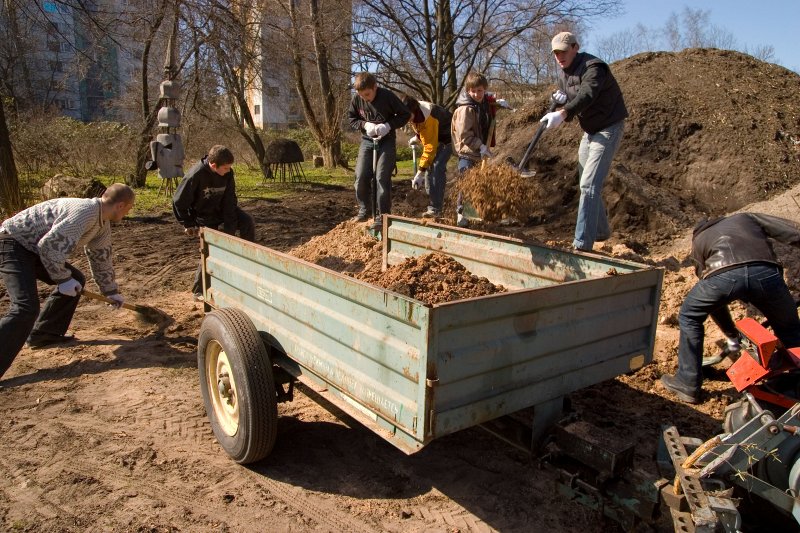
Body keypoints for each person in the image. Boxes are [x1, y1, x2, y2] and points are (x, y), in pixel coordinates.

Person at [660, 213, 800, 404]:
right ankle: (796, 382)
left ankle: (687, 383)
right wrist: (732, 334)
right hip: (766, 274)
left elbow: (713, 301)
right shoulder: (746, 218)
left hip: (723, 277)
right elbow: (794, 233)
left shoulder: (698, 241)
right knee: (790, 328)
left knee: (690, 315)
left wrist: (731, 334)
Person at [0, 183, 135, 379]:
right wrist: (62, 279)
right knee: (25, 307)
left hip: (34, 249)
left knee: (77, 279)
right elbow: (49, 247)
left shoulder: (102, 223)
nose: (128, 213)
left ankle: (44, 334)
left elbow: (101, 257)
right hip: (12, 243)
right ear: (121, 205)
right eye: (130, 208)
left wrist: (110, 291)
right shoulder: (84, 213)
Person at [539, 31, 628, 252]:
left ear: (575, 48)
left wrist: (563, 113)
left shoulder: (594, 67)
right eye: (556, 53)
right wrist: (560, 102)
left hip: (608, 128)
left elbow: (587, 95)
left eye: (563, 51)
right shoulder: (564, 73)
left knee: (589, 185)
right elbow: (573, 98)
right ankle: (600, 231)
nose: (560, 56)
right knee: (584, 183)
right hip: (590, 131)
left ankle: (581, 245)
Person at [172, 145, 255, 300]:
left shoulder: (228, 174)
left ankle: (248, 265)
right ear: (213, 165)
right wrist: (188, 223)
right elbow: (179, 201)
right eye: (225, 168)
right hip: (203, 215)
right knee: (211, 249)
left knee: (247, 222)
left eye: (230, 167)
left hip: (223, 210)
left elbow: (230, 199)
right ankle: (199, 289)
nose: (228, 171)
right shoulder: (195, 176)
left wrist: (229, 228)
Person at [347, 73, 411, 231]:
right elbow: (352, 118)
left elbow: (405, 114)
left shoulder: (387, 97)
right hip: (367, 141)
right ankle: (365, 210)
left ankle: (382, 217)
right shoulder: (357, 99)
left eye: (367, 94)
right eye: (361, 95)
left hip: (386, 140)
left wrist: (388, 125)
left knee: (381, 178)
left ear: (375, 87)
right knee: (361, 176)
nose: (365, 98)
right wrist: (364, 125)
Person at [401, 94, 453, 219]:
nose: (407, 120)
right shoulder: (412, 110)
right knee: (429, 169)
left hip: (450, 137)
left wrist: (419, 172)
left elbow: (429, 148)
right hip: (437, 136)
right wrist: (417, 137)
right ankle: (433, 204)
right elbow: (421, 129)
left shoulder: (428, 116)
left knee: (437, 167)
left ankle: (436, 208)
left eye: (408, 117)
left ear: (414, 110)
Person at [451, 71, 494, 174]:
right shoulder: (465, 109)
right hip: (467, 155)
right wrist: (481, 146)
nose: (476, 94)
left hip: (477, 154)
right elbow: (465, 136)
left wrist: (497, 103)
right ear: (467, 91)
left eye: (479, 90)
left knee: (477, 187)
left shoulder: (479, 104)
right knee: (467, 187)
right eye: (472, 91)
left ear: (484, 89)